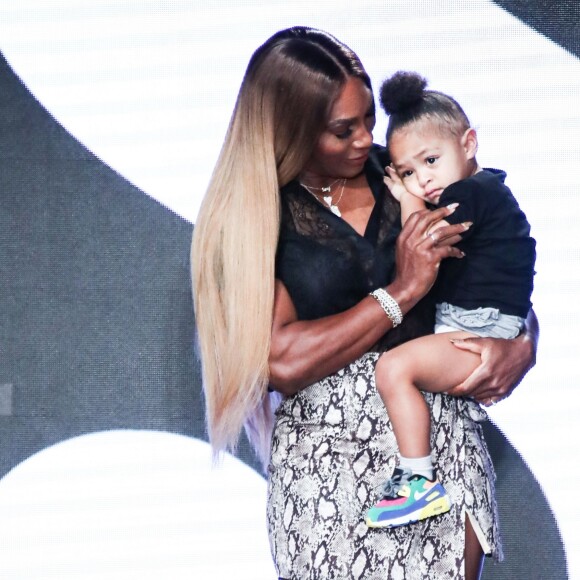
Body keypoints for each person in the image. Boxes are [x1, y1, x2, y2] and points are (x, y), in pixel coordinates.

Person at [191, 27, 538, 580]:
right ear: (291, 129)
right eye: (342, 129)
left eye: (369, 119)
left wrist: (522, 344)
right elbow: (280, 361)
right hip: (326, 468)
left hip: (433, 451)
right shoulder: (254, 217)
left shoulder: (407, 173)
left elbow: (497, 263)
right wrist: (402, 293)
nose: (365, 139)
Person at [365, 71, 536, 530]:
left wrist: (404, 200)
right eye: (407, 173)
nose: (423, 180)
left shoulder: (468, 194)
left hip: (478, 328)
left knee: (393, 368)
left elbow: (423, 242)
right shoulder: (486, 190)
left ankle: (416, 484)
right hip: (480, 323)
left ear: (469, 143)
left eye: (431, 160)